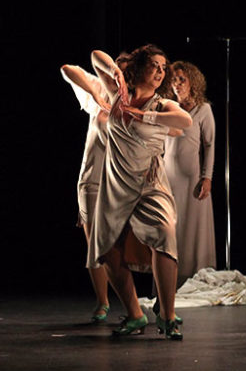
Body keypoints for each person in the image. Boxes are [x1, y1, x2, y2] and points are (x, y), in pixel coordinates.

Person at [89, 45, 192, 339]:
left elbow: (185, 121)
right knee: (107, 249)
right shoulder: (117, 95)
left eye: (163, 67)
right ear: (139, 67)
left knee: (164, 235)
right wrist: (117, 77)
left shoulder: (161, 105)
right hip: (116, 184)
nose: (160, 71)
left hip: (150, 183)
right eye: (154, 65)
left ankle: (167, 315)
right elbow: (96, 56)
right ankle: (135, 314)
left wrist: (143, 116)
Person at [61, 53, 130, 323]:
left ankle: (136, 304)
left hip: (121, 185)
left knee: (125, 246)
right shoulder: (98, 91)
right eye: (115, 73)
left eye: (124, 75)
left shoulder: (134, 100)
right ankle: (102, 301)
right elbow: (68, 69)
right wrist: (95, 93)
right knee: (95, 247)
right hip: (92, 180)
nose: (118, 79)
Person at [163, 61, 217, 288]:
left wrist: (207, 177)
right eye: (174, 80)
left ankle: (195, 278)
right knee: (171, 228)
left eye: (181, 80)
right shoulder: (167, 108)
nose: (177, 84)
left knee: (195, 229)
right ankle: (170, 280)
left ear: (192, 82)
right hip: (168, 177)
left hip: (193, 179)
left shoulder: (203, 109)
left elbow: (209, 145)